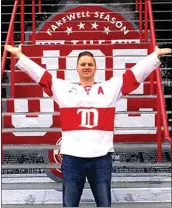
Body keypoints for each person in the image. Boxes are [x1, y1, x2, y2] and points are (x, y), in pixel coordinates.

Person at [4, 44, 172, 207]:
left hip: (101, 158)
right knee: (70, 204)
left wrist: (153, 56)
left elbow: (133, 75)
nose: (86, 67)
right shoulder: (64, 89)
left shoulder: (109, 88)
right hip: (72, 158)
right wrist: (20, 56)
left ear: (95, 68)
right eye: (82, 64)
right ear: (76, 68)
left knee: (104, 204)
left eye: (90, 64)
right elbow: (41, 76)